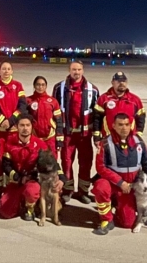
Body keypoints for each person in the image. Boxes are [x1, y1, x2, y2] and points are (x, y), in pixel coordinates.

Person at [92, 113, 147, 235]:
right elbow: (100, 167)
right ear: (113, 126)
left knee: (127, 223)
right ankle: (107, 219)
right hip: (113, 183)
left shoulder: (139, 142)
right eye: (120, 125)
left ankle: (118, 209)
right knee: (100, 187)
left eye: (127, 124)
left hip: (130, 188)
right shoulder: (105, 143)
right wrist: (120, 182)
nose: (124, 128)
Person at [0, 114, 65, 220]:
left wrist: (61, 179)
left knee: (32, 191)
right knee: (5, 212)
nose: (25, 128)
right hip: (16, 181)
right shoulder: (9, 143)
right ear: (16, 126)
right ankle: (20, 202)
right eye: (22, 125)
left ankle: (30, 209)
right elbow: (6, 166)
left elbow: (52, 163)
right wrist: (17, 178)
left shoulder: (40, 145)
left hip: (32, 180)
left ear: (31, 126)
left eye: (28, 125)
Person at [52, 60, 99, 204]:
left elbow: (97, 115)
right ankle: (68, 190)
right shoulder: (59, 88)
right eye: (74, 69)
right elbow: (54, 110)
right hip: (67, 134)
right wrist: (57, 133)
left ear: (83, 70)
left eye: (79, 69)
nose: (76, 72)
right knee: (66, 163)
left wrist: (97, 136)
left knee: (85, 163)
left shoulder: (93, 90)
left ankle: (83, 191)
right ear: (69, 70)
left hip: (84, 135)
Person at [0, 61, 27, 195]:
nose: (6, 71)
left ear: (12, 71)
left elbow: (22, 106)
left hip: (13, 131)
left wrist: (10, 121)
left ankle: (12, 188)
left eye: (8, 69)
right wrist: (1, 121)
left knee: (14, 160)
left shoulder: (18, 86)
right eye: (3, 69)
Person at [92, 71, 145, 142]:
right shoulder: (103, 99)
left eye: (124, 81)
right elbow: (97, 119)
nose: (122, 83)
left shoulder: (135, 100)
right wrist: (96, 136)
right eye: (119, 81)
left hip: (130, 140)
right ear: (112, 83)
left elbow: (141, 118)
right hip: (108, 139)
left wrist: (138, 135)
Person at [26, 76, 63, 158]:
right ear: (34, 86)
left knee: (51, 161)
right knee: (32, 160)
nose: (40, 87)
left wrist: (59, 140)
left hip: (50, 138)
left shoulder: (53, 101)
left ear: (46, 86)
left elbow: (59, 121)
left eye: (43, 85)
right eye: (38, 85)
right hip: (34, 137)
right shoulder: (28, 101)